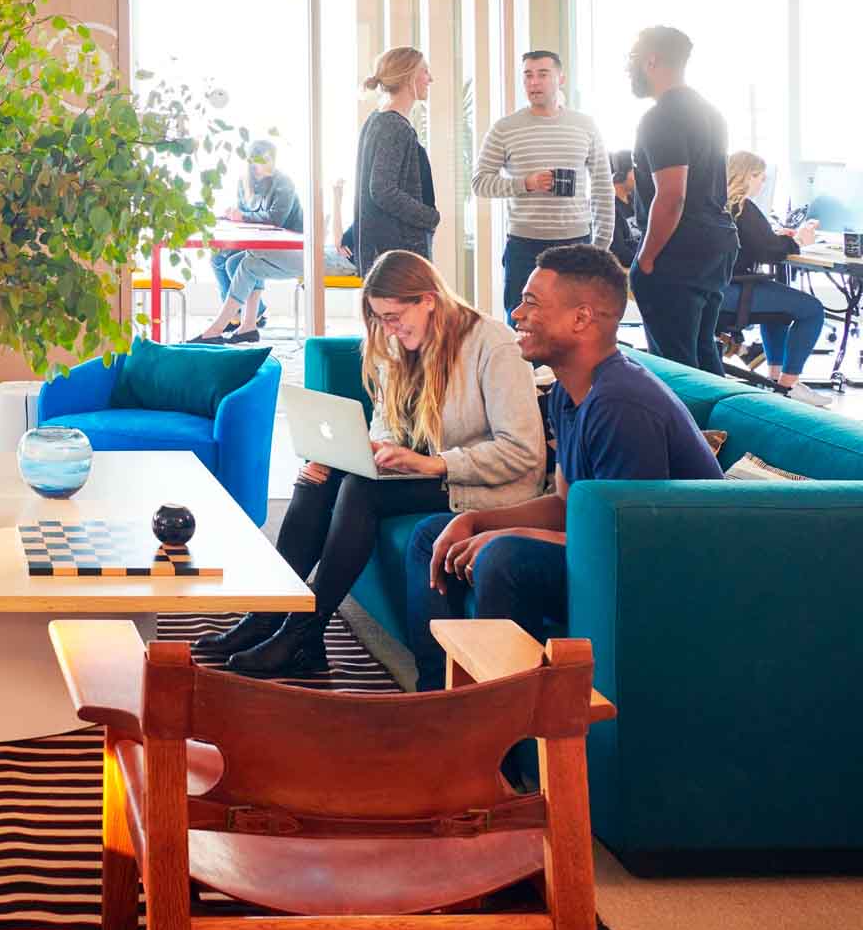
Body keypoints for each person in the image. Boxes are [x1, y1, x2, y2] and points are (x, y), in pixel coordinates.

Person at [200, 250, 545, 676]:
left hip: (485, 485)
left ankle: (305, 633)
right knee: (318, 478)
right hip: (424, 473)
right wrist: (359, 453)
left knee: (361, 492)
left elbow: (523, 452)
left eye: (394, 316)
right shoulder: (397, 344)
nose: (389, 328)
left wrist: (434, 464)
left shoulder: (493, 345)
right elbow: (387, 422)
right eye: (380, 319)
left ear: (429, 299)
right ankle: (269, 614)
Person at [405, 244, 723, 690]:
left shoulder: (621, 404)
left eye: (532, 303)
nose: (517, 314)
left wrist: (510, 535)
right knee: (433, 535)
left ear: (581, 318)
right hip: (611, 546)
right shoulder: (565, 393)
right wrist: (476, 520)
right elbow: (564, 504)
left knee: (504, 557)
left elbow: (627, 540)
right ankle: (440, 698)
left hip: (667, 569)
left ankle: (506, 723)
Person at [626, 26, 738, 374]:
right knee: (703, 357)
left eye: (632, 59)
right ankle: (718, 413)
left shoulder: (660, 118)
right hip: (715, 243)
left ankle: (685, 415)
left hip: (677, 250)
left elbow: (672, 195)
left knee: (676, 368)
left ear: (651, 61)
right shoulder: (711, 113)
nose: (629, 69)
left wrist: (646, 258)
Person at [471, 50, 612, 320]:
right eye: (528, 75)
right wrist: (525, 183)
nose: (534, 82)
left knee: (575, 323)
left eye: (543, 74)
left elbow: (603, 186)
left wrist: (601, 245)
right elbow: (480, 183)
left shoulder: (585, 125)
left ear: (560, 78)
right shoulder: (505, 128)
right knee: (522, 322)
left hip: (576, 244)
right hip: (524, 246)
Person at [722, 151, 830, 405]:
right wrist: (799, 240)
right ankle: (788, 386)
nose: (762, 184)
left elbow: (760, 243)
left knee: (779, 308)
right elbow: (769, 251)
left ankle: (774, 379)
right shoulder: (743, 206)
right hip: (735, 291)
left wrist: (778, 237)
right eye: (761, 178)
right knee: (812, 310)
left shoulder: (721, 204)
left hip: (718, 288)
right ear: (748, 176)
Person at [194, 138, 302, 344]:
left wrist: (242, 216)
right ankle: (240, 317)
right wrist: (232, 215)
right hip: (259, 242)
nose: (262, 165)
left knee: (243, 261)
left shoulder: (283, 182)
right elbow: (244, 213)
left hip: (288, 246)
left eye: (267, 159)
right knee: (219, 258)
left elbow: (275, 219)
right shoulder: (245, 183)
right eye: (258, 160)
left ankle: (236, 319)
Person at [354, 47, 439, 274]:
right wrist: (429, 217)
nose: (430, 79)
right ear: (409, 77)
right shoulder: (394, 126)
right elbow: (382, 189)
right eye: (425, 71)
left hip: (388, 255)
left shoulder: (378, 120)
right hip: (399, 257)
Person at [608, 149, 640, 272]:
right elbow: (622, 254)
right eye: (634, 171)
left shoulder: (636, 201)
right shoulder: (611, 209)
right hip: (630, 269)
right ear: (620, 175)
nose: (638, 176)